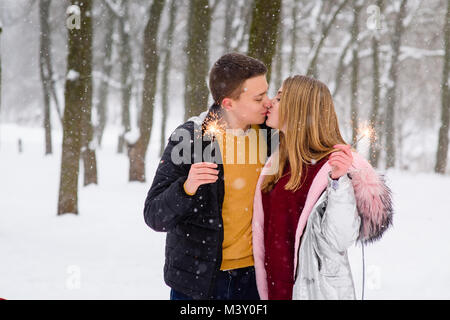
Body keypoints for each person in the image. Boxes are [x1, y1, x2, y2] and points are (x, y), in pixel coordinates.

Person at [143, 53, 276, 300]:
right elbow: (154, 215)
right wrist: (187, 187)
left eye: (267, 92)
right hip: (198, 282)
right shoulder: (192, 138)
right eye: (259, 98)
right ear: (228, 104)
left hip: (254, 279)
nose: (268, 102)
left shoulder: (271, 137)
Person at [252, 75, 393, 300]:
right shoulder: (279, 161)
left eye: (279, 98)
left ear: (297, 108)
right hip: (275, 288)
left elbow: (339, 239)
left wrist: (339, 183)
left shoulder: (332, 167)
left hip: (313, 291)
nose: (270, 102)